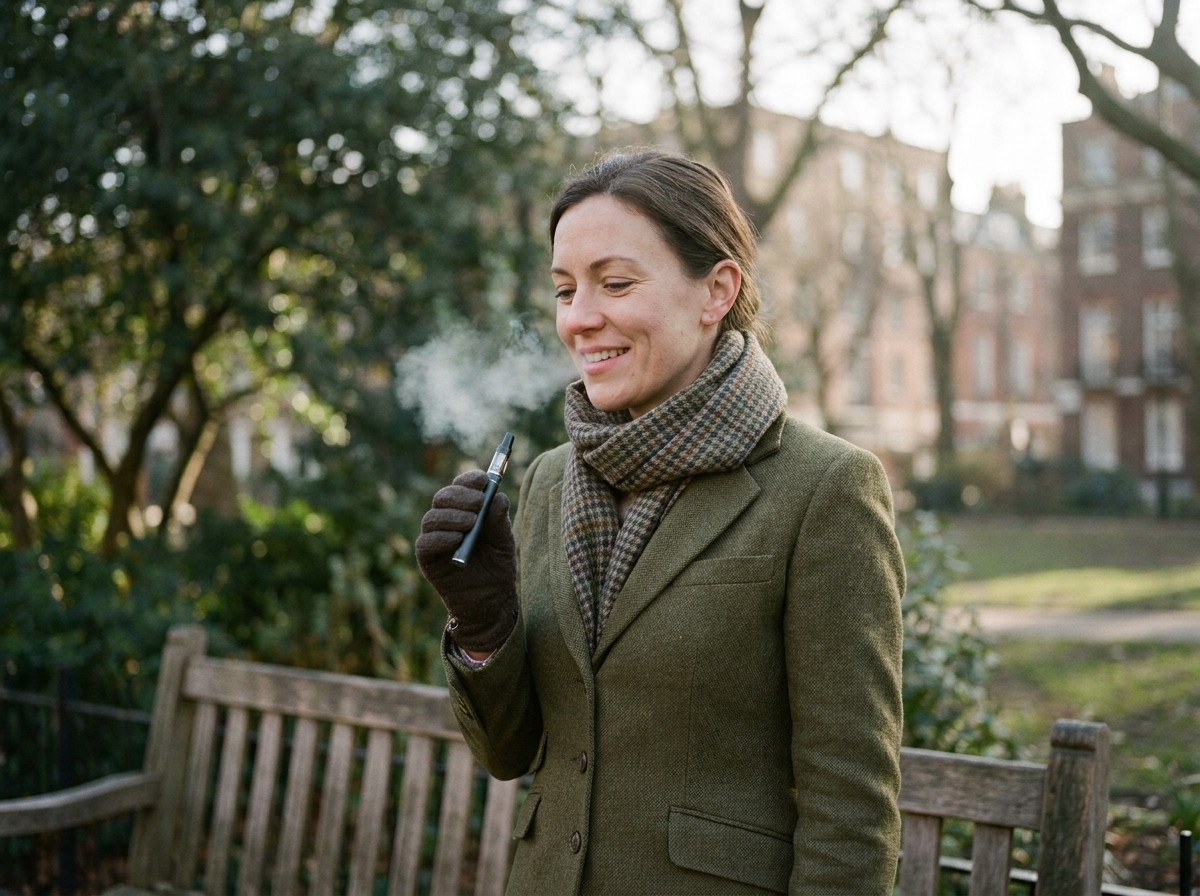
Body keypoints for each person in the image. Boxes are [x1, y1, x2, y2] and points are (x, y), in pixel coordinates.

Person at [416, 150, 904, 895]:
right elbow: (510, 754)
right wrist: (483, 626)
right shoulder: (547, 479)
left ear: (716, 291)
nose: (579, 319)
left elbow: (852, 807)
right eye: (564, 290)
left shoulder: (826, 488)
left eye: (615, 284)